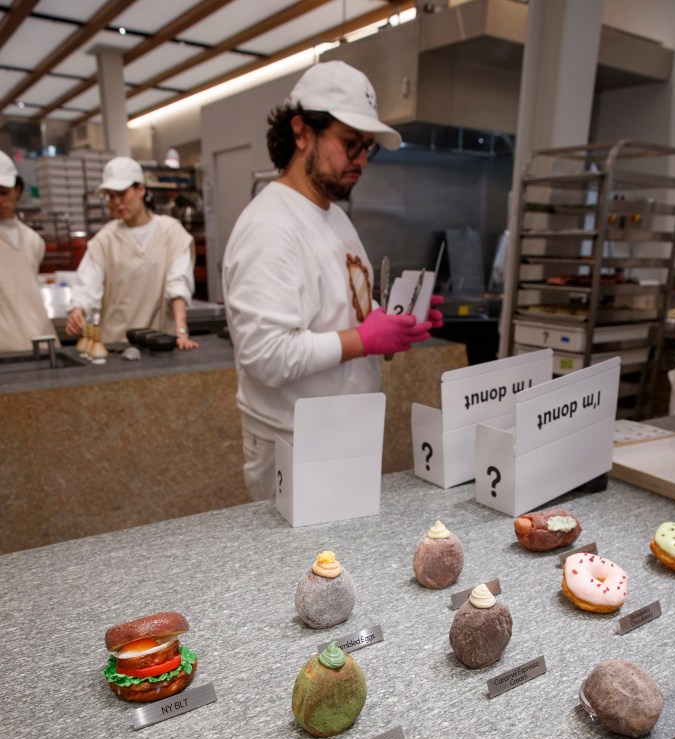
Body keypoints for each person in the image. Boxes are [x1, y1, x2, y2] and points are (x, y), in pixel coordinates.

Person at [223, 61, 443, 500]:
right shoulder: (270, 225)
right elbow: (267, 356)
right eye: (350, 143)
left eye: (367, 148)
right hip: (294, 442)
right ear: (302, 132)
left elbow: (344, 311)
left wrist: (392, 322)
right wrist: (365, 339)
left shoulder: (335, 218)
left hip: (345, 432)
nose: (361, 160)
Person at [66, 156, 198, 350]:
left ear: (141, 189)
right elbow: (87, 286)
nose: (117, 202)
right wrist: (78, 310)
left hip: (161, 344)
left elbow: (178, 284)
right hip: (117, 345)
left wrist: (181, 331)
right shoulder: (105, 240)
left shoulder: (171, 233)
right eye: (111, 196)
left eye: (122, 194)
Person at [0, 150, 56, 353]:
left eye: (4, 192)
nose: (0, 200)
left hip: (42, 341)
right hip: (5, 348)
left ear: (18, 190)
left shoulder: (34, 241)